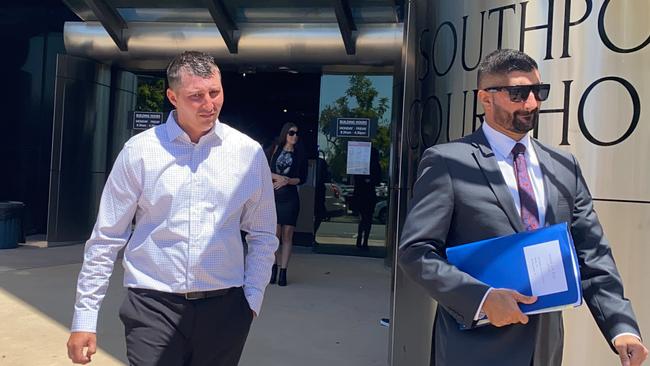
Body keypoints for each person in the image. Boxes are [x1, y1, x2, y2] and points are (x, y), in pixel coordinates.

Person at [398, 49, 647, 366]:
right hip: (473, 349)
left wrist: (621, 327)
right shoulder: (447, 162)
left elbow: (591, 252)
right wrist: (482, 299)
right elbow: (415, 251)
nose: (531, 103)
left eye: (538, 91)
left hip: (545, 348)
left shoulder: (563, 166)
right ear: (486, 98)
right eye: (518, 93)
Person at [66, 51, 278, 366]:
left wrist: (252, 300)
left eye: (215, 92)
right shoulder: (139, 153)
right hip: (152, 307)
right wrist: (84, 317)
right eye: (196, 96)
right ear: (172, 96)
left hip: (225, 309)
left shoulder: (247, 154)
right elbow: (107, 237)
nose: (209, 104)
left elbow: (262, 233)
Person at [267, 123, 306, 286]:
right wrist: (279, 178)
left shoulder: (300, 154)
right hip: (274, 196)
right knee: (275, 235)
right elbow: (265, 170)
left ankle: (283, 271)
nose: (294, 136)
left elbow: (302, 178)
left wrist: (288, 180)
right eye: (291, 133)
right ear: (285, 133)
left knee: (288, 234)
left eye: (297, 133)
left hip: (290, 198)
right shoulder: (275, 148)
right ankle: (273, 268)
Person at [352, 145, 381, 250]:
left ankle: (360, 239)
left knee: (363, 218)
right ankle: (364, 241)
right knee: (367, 219)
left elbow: (356, 179)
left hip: (362, 194)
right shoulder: (375, 165)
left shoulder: (362, 165)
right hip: (368, 194)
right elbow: (378, 179)